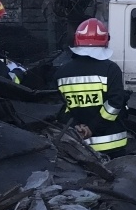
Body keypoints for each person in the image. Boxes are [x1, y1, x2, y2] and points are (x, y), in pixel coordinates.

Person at [54, 18, 128, 157]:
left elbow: (59, 107)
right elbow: (114, 105)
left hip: (76, 147)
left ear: (77, 40)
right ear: (105, 41)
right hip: (112, 147)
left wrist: (76, 127)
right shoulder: (111, 69)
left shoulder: (61, 72)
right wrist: (92, 128)